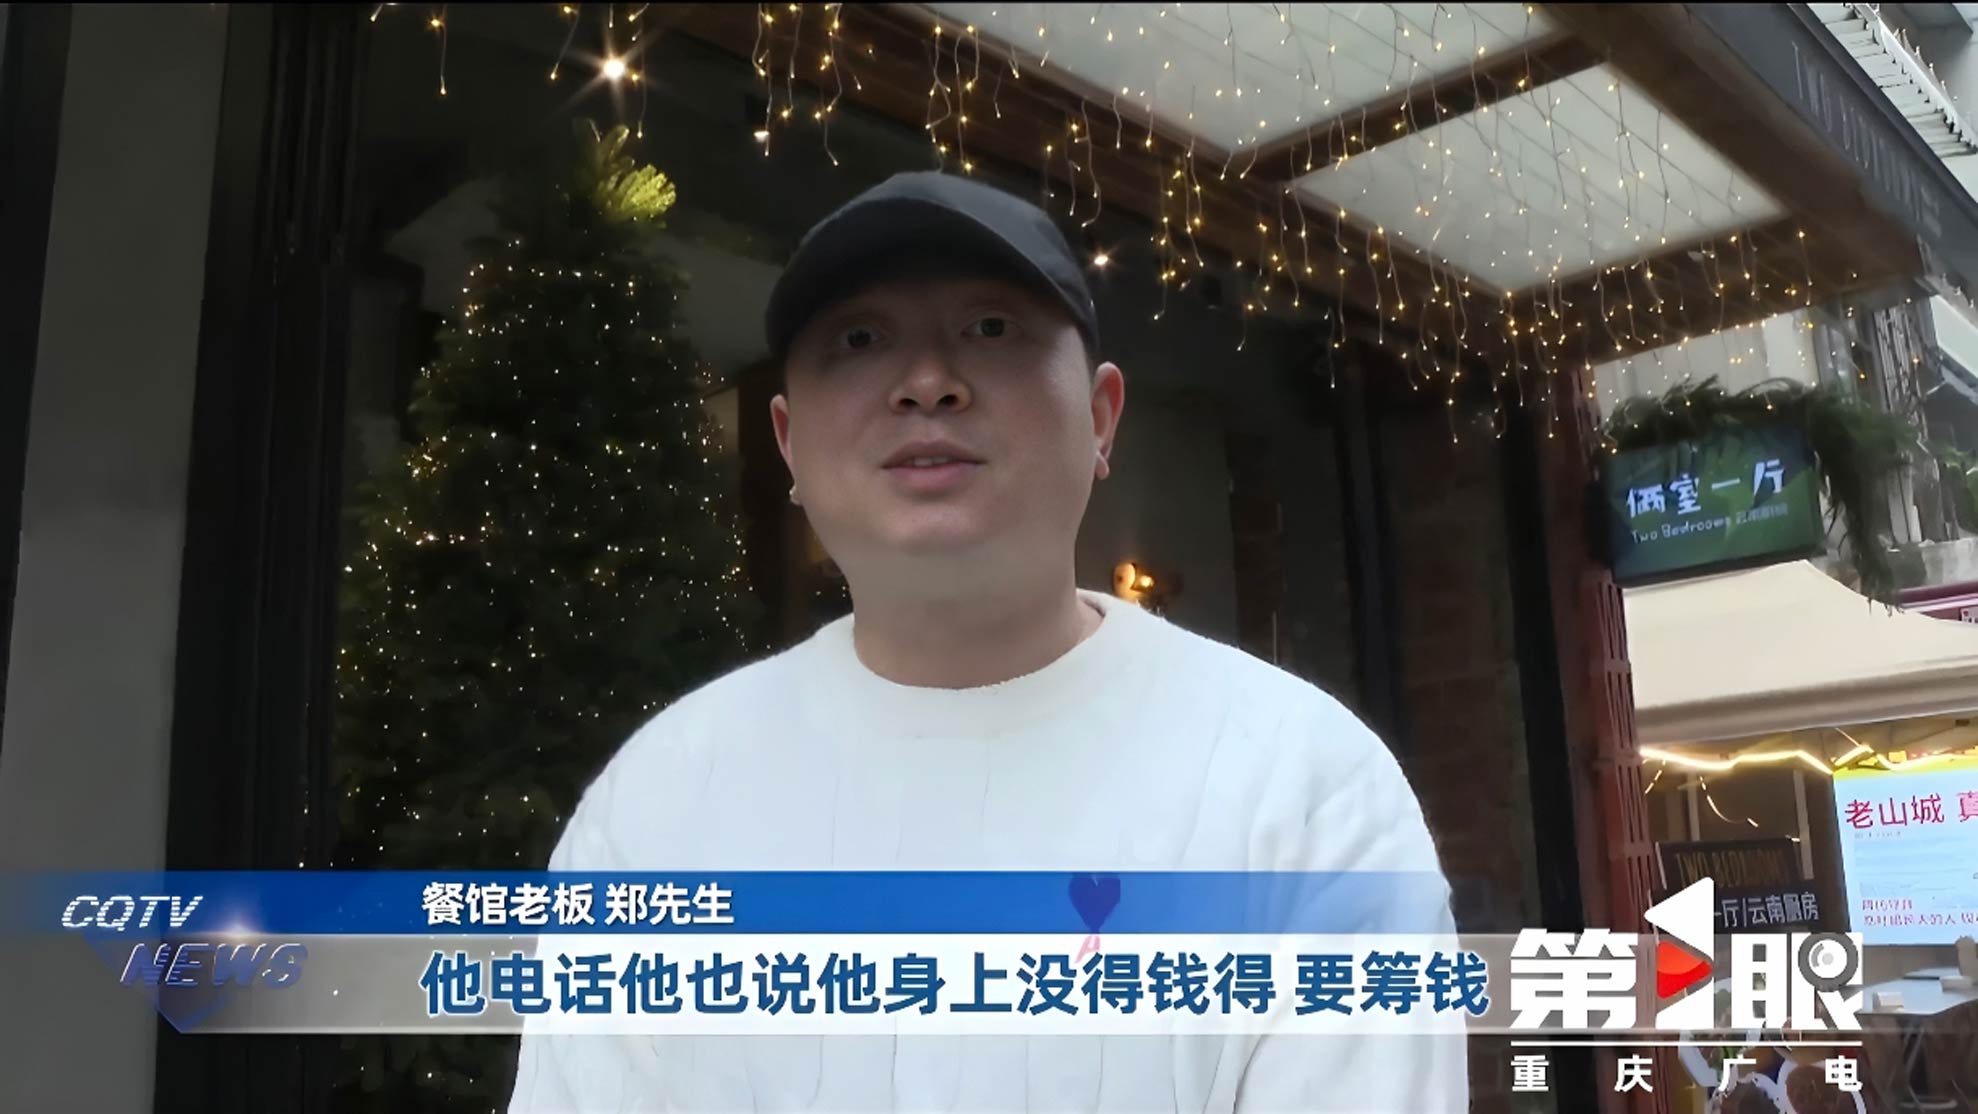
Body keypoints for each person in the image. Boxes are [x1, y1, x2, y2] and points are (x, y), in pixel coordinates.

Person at [508, 171, 1465, 1112]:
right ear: (790, 444)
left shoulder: (1304, 783)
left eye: (992, 328)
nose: (927, 383)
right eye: (859, 339)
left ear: (1100, 417)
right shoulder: (658, 801)